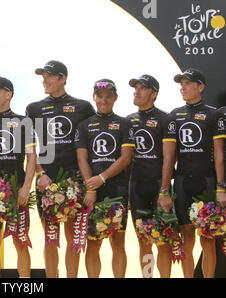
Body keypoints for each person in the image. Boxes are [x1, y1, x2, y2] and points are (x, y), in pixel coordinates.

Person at [25, 60, 95, 277]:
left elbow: (91, 144)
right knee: (50, 237)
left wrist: (87, 180)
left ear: (63, 78)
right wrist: (40, 173)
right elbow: (30, 145)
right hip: (47, 179)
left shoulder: (83, 107)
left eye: (49, 76)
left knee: (73, 235)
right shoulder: (34, 108)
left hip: (74, 179)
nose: (44, 80)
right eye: (42, 76)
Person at [159, 68, 225, 278]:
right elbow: (169, 158)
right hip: (182, 182)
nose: (183, 88)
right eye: (181, 84)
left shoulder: (213, 114)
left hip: (207, 182)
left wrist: (221, 187)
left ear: (201, 87)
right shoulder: (174, 116)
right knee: (187, 240)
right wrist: (164, 190)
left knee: (208, 240)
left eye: (188, 83)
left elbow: (220, 154)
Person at [0, 76, 36, 278]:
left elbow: (31, 157)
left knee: (20, 241)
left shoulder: (23, 122)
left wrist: (26, 188)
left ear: (8, 94)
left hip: (17, 190)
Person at [75, 79, 135, 278]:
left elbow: (125, 158)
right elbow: (82, 159)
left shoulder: (125, 123)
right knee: (93, 241)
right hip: (93, 189)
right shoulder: (84, 125)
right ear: (94, 97)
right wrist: (91, 187)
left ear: (115, 98)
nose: (104, 100)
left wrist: (102, 177)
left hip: (116, 187)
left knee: (118, 242)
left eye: (108, 96)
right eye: (100, 96)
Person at [126, 74, 173, 278]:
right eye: (135, 88)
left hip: (158, 187)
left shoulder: (165, 119)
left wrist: (164, 190)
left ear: (153, 93)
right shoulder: (129, 120)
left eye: (142, 88)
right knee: (144, 241)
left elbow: (170, 159)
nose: (136, 91)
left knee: (162, 241)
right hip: (137, 187)